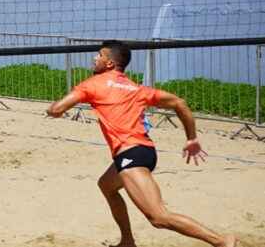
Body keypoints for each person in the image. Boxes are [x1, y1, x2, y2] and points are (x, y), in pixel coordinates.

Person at [46, 40, 238, 247]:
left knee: (158, 217)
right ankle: (127, 241)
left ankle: (221, 241)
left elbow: (56, 109)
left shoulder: (92, 85)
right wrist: (191, 138)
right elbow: (179, 103)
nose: (94, 58)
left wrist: (52, 109)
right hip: (143, 151)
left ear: (109, 63)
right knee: (107, 185)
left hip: (131, 154)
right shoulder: (135, 88)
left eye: (99, 55)